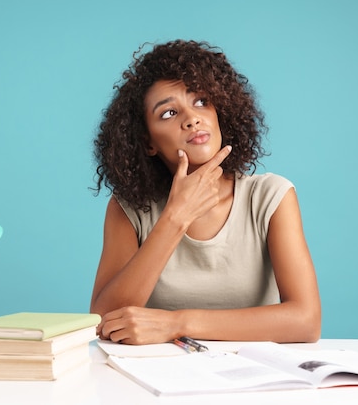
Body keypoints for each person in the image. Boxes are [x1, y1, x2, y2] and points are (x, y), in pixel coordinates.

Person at [90, 39, 320, 345]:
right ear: (148, 143)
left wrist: (177, 323)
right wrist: (175, 218)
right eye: (169, 113)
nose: (192, 118)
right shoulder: (128, 209)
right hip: (160, 378)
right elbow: (104, 321)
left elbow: (306, 322)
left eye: (201, 101)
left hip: (257, 379)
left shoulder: (271, 197)